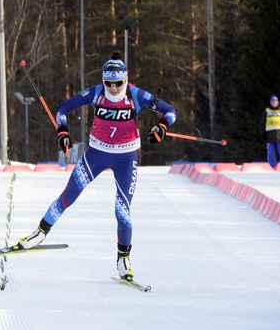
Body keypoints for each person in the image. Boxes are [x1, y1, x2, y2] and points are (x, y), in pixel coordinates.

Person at [15, 51, 177, 281]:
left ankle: (123, 260)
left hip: (125, 158)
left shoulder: (136, 94)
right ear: (103, 80)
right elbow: (63, 108)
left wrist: (161, 126)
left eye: (118, 83)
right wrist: (62, 131)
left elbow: (171, 111)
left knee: (122, 211)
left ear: (125, 79)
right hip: (96, 154)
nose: (113, 88)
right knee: (68, 197)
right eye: (109, 83)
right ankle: (39, 233)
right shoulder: (95, 92)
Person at [259, 95, 280, 168]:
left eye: (275, 101)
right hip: (270, 136)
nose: (274, 103)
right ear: (270, 103)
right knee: (271, 153)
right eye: (272, 102)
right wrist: (262, 134)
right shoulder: (267, 111)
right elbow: (262, 123)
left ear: (278, 102)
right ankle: (272, 167)